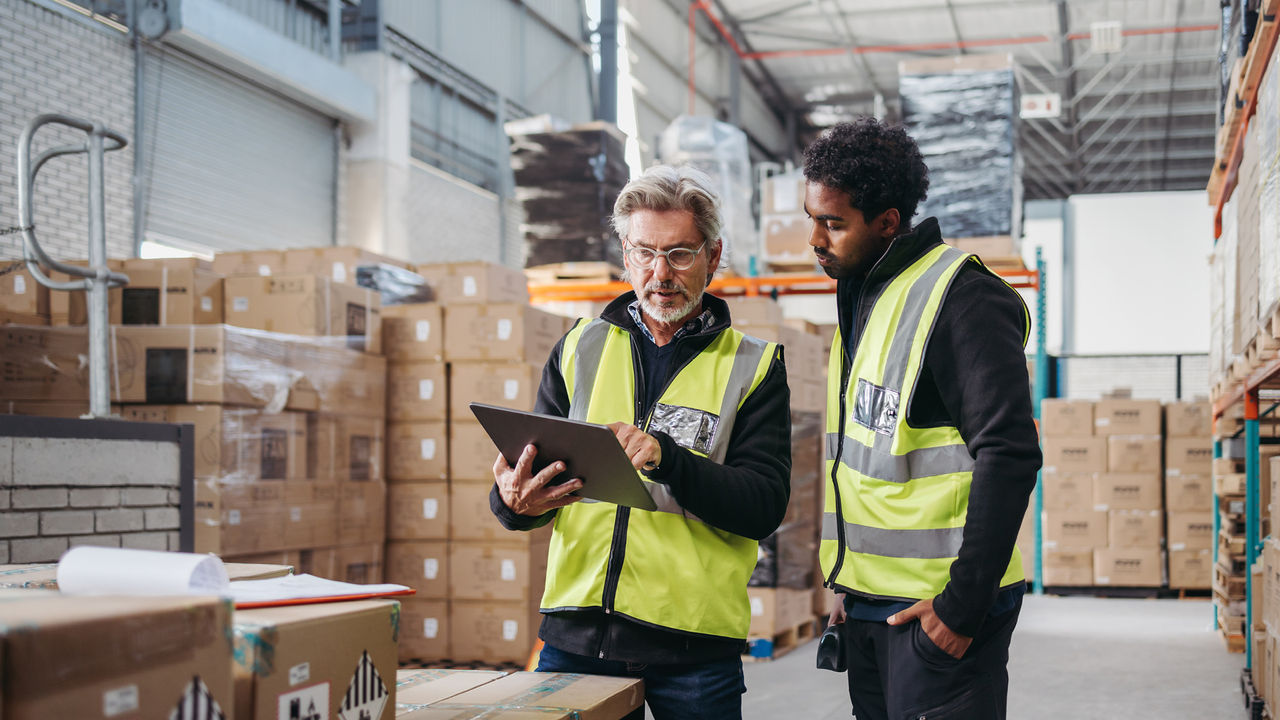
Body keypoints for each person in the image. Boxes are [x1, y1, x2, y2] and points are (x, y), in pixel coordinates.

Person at [489, 164, 792, 720]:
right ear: (625, 254)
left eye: (679, 253)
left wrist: (665, 456)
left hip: (693, 649)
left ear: (713, 256)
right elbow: (529, 475)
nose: (660, 273)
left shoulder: (753, 368)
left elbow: (763, 506)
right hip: (576, 640)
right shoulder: (579, 348)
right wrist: (514, 505)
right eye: (644, 252)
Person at [805, 118, 1040, 719]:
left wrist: (961, 608)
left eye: (833, 223)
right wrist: (850, 582)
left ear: (887, 222)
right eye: (812, 218)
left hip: (938, 608)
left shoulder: (961, 296)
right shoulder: (865, 294)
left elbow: (1010, 453)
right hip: (871, 602)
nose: (815, 238)